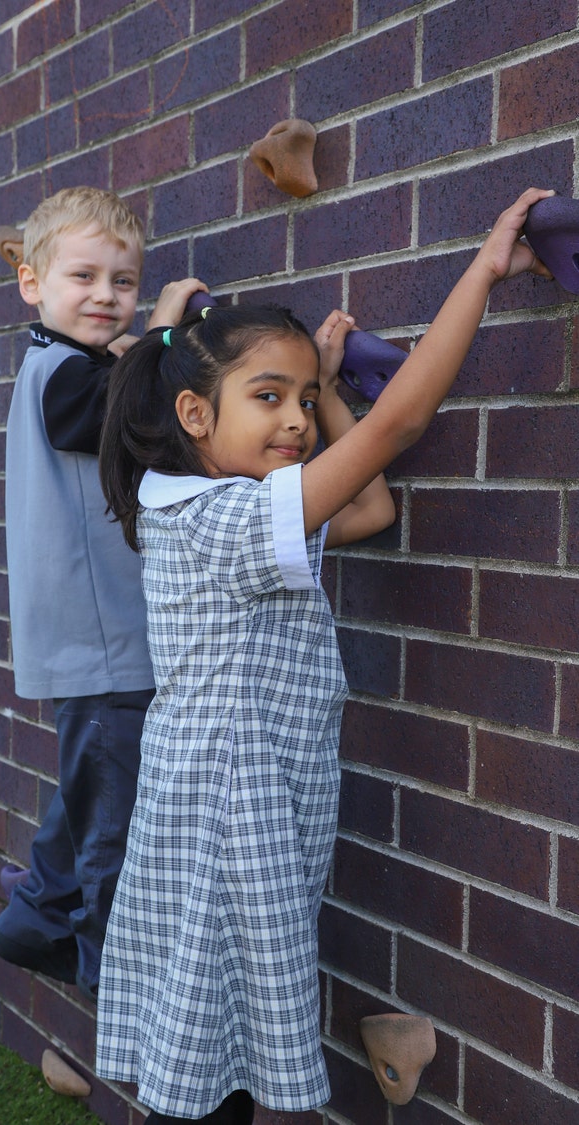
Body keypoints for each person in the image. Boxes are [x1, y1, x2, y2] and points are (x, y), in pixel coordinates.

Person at [95, 187, 554, 1121]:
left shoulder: (226, 510)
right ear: (192, 413)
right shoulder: (220, 518)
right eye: (267, 398)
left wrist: (328, 390)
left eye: (304, 400)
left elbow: (371, 508)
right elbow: (401, 430)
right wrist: (482, 271)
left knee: (212, 1043)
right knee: (203, 1059)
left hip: (249, 798)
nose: (297, 420)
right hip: (229, 807)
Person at [0, 185, 206, 1000]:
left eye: (124, 281)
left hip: (98, 643)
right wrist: (161, 335)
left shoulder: (65, 365)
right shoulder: (59, 374)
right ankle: (125, 983)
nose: (106, 296)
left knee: (92, 790)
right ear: (32, 283)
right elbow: (107, 412)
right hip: (104, 642)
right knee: (117, 826)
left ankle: (37, 913)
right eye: (83, 277)